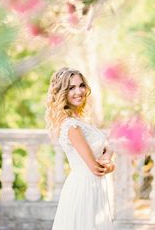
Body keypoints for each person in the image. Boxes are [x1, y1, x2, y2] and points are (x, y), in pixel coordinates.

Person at [45, 67, 115, 230]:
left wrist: (108, 155)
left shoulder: (79, 119)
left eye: (81, 85)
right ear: (62, 92)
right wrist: (110, 160)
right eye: (71, 88)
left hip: (93, 185)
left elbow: (102, 153)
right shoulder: (71, 125)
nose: (79, 91)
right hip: (84, 187)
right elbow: (96, 167)